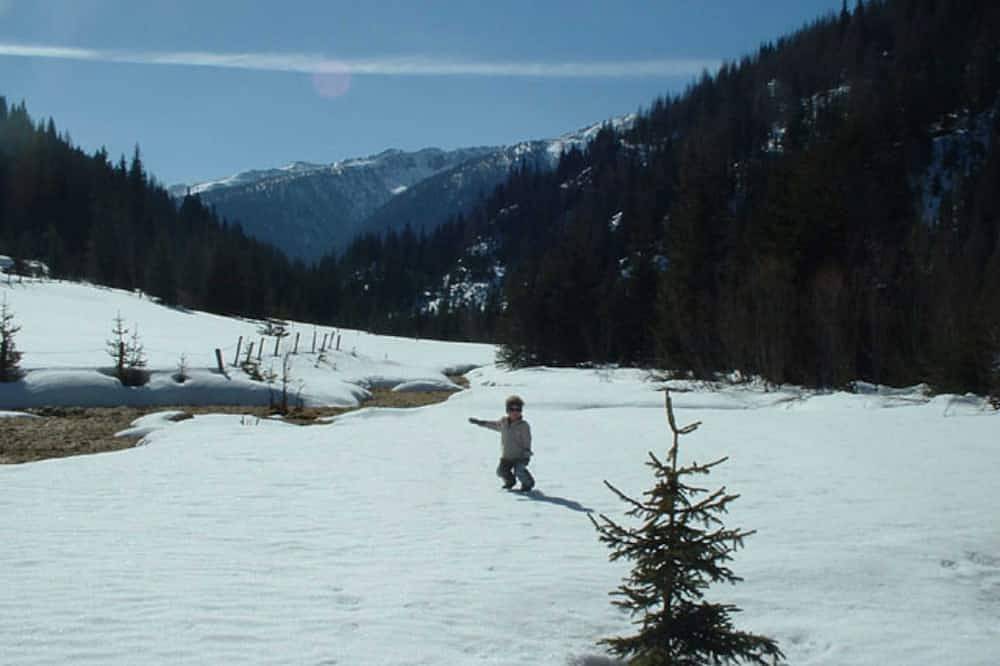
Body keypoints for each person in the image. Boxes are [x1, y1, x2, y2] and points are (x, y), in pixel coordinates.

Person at [468, 394, 534, 491]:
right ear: (507, 410)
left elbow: (527, 440)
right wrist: (480, 422)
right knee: (501, 472)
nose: (515, 412)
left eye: (518, 409)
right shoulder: (504, 422)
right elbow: (494, 425)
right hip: (507, 456)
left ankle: (528, 483)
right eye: (512, 409)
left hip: (521, 457)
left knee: (519, 471)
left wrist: (526, 453)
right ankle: (510, 481)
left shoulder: (523, 426)